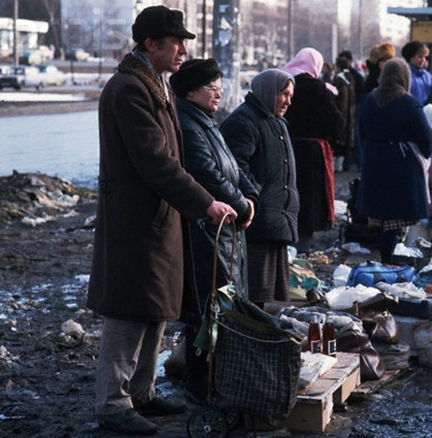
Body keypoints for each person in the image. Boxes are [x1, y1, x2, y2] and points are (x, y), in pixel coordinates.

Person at [87, 6, 236, 436]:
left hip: (156, 218)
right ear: (151, 45)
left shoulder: (154, 85)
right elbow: (157, 162)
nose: (184, 50)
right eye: (176, 42)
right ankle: (113, 403)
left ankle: (142, 391)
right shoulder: (130, 89)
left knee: (155, 308)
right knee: (128, 310)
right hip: (135, 221)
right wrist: (206, 202)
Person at [169, 58, 259, 401]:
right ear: (190, 91)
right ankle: (199, 384)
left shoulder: (206, 121)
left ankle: (216, 377)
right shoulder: (189, 126)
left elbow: (232, 168)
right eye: (212, 87)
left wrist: (251, 197)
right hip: (206, 230)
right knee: (204, 308)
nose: (219, 93)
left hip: (224, 228)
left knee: (222, 304)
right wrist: (241, 205)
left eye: (220, 87)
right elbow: (207, 174)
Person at [220, 69, 299, 308]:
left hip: (276, 221)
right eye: (284, 94)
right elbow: (235, 169)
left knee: (267, 298)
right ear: (268, 91)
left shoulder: (278, 122)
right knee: (253, 296)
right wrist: (254, 199)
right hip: (258, 223)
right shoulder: (243, 121)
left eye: (290, 95)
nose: (288, 101)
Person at [355, 58, 432, 263]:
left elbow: (360, 134)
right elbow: (426, 139)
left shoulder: (367, 101)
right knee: (395, 217)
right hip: (401, 166)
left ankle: (384, 256)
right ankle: (389, 259)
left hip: (373, 162)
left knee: (380, 216)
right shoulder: (410, 104)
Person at [282, 47, 344, 254]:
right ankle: (301, 250)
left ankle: (288, 245)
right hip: (312, 153)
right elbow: (336, 123)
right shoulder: (317, 89)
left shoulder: (283, 83)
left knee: (289, 195)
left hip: (286, 147)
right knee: (310, 203)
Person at [331, 56, 357, 172]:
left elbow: (337, 98)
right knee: (345, 140)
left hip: (341, 113)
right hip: (350, 113)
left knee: (338, 140)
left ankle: (337, 166)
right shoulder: (350, 78)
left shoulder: (339, 79)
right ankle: (341, 165)